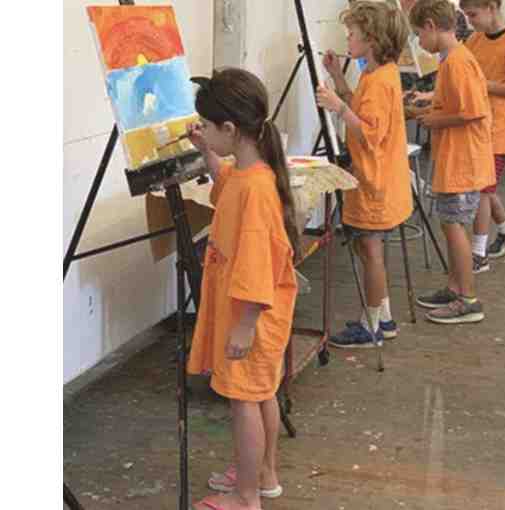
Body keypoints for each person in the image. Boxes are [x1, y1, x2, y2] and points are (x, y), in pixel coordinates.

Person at [186, 68, 300, 510]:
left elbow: (255, 267)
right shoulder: (249, 173)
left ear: (230, 129)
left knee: (243, 401)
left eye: (208, 127)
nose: (204, 131)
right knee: (261, 392)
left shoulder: (256, 190)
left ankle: (246, 496)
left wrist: (245, 326)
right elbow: (226, 184)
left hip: (250, 315)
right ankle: (263, 474)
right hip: (254, 315)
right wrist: (206, 152)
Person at [317, 1, 413, 347]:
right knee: (366, 250)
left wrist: (339, 107)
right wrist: (338, 78)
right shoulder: (378, 74)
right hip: (378, 179)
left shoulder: (380, 82)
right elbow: (362, 109)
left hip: (375, 183)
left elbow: (370, 132)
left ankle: (372, 325)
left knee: (370, 253)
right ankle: (382, 318)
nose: (347, 38)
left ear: (371, 39)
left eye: (352, 33)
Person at [409, 0, 495, 324]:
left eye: (419, 34)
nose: (419, 42)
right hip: (456, 158)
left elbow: (472, 112)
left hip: (464, 160)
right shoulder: (452, 60)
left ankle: (468, 299)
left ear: (431, 26)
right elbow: (454, 104)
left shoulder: (458, 61)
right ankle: (455, 287)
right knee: (449, 223)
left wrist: (435, 120)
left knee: (453, 225)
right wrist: (425, 110)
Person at [460, 0, 505, 272]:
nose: (469, 21)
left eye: (473, 14)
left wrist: (483, 85)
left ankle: (478, 253)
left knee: (482, 190)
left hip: (500, 130)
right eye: (466, 15)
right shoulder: (474, 40)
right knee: (486, 189)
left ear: (492, 7)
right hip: (477, 126)